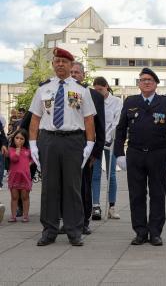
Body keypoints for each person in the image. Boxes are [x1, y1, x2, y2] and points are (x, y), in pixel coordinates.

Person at [28, 47, 97, 246]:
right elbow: (35, 117)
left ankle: (74, 231)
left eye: (64, 62)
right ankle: (49, 231)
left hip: (73, 140)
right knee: (49, 187)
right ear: (52, 64)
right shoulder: (43, 89)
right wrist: (33, 144)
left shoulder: (81, 90)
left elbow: (88, 119)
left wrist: (89, 144)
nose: (60, 64)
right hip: (49, 140)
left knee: (72, 187)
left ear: (70, 65)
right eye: (57, 61)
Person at [114, 67, 166, 246]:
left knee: (158, 195)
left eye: (150, 80)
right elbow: (120, 129)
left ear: (156, 84)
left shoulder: (165, 102)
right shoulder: (130, 101)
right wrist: (119, 154)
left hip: (158, 154)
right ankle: (140, 232)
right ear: (138, 83)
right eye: (143, 79)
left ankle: (155, 232)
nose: (146, 82)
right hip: (135, 154)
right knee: (136, 195)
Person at [70, 62, 105, 234]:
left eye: (77, 72)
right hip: (66, 147)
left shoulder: (94, 96)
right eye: (71, 72)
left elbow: (100, 126)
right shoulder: (61, 93)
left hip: (85, 148)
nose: (74, 74)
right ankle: (68, 220)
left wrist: (96, 152)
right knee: (66, 186)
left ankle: (84, 221)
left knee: (84, 185)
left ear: (84, 75)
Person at [92, 77, 122, 220]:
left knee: (111, 174)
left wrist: (108, 138)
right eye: (95, 90)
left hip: (111, 141)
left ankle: (112, 206)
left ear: (107, 87)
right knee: (95, 173)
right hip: (97, 142)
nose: (98, 93)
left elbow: (117, 122)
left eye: (100, 90)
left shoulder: (117, 102)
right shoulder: (93, 102)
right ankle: (96, 205)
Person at [7, 129, 33, 222]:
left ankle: (25, 216)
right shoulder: (11, 150)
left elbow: (34, 158)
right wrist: (18, 149)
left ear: (25, 140)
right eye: (17, 138)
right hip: (14, 177)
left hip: (25, 177)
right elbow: (14, 159)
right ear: (14, 139)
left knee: (25, 197)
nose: (19, 140)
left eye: (21, 138)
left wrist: (28, 164)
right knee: (14, 197)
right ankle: (13, 216)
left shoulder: (28, 151)